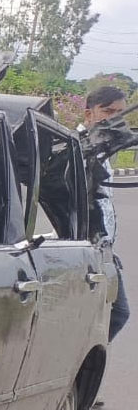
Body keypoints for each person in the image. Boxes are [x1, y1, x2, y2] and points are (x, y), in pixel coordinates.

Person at [83, 85, 129, 348]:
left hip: (104, 248)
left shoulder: (104, 149)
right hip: (87, 248)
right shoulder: (79, 147)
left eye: (119, 113)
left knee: (113, 313)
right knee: (117, 312)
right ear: (89, 114)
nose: (114, 119)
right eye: (107, 111)